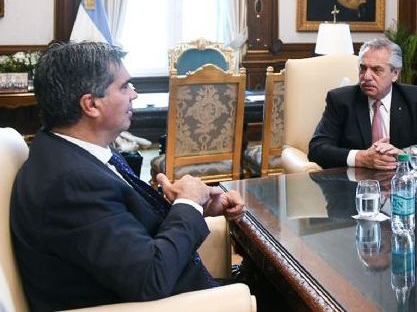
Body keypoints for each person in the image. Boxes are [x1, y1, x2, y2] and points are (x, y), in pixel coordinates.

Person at [11, 42, 245, 312]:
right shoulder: (71, 183)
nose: (134, 94)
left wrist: (197, 207)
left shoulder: (73, 152)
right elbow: (150, 278)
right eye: (124, 87)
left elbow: (121, 224)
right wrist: (187, 205)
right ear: (91, 104)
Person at [308, 37, 417, 170]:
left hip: (401, 185)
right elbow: (317, 149)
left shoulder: (415, 98)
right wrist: (360, 158)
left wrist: (404, 154)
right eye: (363, 68)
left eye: (377, 70)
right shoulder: (340, 100)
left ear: (395, 74)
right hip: (353, 186)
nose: (366, 77)